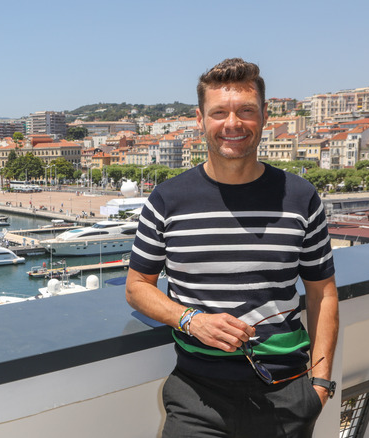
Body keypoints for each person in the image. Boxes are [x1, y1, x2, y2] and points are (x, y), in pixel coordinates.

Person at [125, 58, 339, 437]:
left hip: (287, 392)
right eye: (219, 112)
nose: (233, 123)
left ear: (264, 116)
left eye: (246, 111)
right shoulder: (167, 199)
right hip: (197, 395)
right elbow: (137, 286)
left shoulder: (301, 197)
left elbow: (322, 292)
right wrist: (191, 320)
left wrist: (319, 385)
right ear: (200, 119)